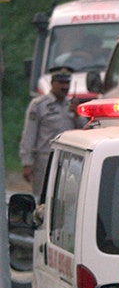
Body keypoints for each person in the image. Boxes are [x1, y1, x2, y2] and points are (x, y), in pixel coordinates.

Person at [20, 67, 87, 196]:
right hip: (45, 159)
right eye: (61, 83)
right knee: (43, 196)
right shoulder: (39, 105)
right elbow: (29, 134)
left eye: (67, 83)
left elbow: (84, 130)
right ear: (52, 83)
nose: (65, 87)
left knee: (67, 196)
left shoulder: (72, 105)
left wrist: (77, 114)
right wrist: (27, 162)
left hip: (69, 159)